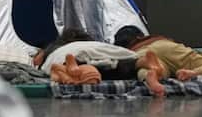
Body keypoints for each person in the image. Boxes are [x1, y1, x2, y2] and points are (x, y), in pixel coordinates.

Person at [33, 28, 167, 96]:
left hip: (73, 57)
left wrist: (40, 57)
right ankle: (142, 62)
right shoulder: (95, 44)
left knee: (83, 68)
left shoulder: (55, 49)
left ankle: (77, 68)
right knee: (116, 66)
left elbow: (37, 61)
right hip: (113, 52)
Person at [114, 25, 202, 80]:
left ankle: (154, 73)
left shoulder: (127, 51)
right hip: (165, 45)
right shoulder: (154, 38)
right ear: (141, 36)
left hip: (142, 52)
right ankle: (193, 73)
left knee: (145, 68)